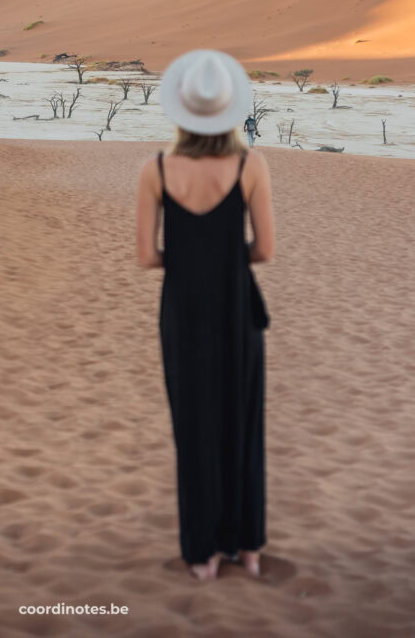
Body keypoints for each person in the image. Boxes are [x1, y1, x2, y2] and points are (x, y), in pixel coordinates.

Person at [136, 49, 275, 582]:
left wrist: (190, 259)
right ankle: (249, 548)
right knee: (242, 425)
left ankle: (203, 553)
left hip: (183, 314)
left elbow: (147, 256)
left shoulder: (154, 169)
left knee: (193, 429)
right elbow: (264, 250)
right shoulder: (250, 164)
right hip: (238, 310)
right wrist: (221, 256)